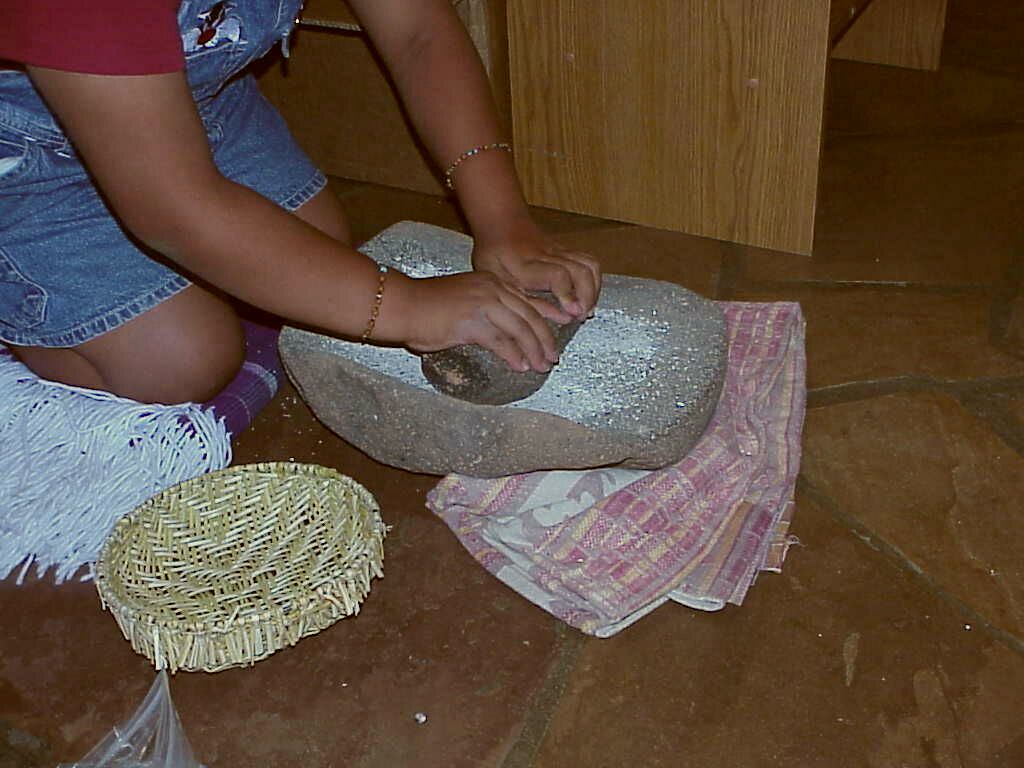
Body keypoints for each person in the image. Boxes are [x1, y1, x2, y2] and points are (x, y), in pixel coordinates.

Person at [0, 0, 601, 405]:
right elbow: (174, 211)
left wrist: (502, 218)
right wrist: (407, 307)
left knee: (317, 248)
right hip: (21, 154)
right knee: (180, 360)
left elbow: (419, 33)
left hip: (181, 95)